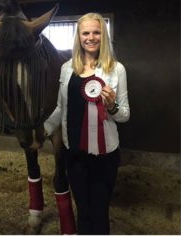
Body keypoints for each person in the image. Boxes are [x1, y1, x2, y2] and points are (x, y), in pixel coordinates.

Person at [44, 12, 130, 235]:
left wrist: (112, 107)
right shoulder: (66, 68)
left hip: (104, 156)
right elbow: (60, 108)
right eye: (86, 33)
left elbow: (125, 115)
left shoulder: (116, 69)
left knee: (100, 213)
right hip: (74, 154)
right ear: (78, 37)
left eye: (96, 32)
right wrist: (43, 129)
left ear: (104, 36)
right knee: (83, 211)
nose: (91, 37)